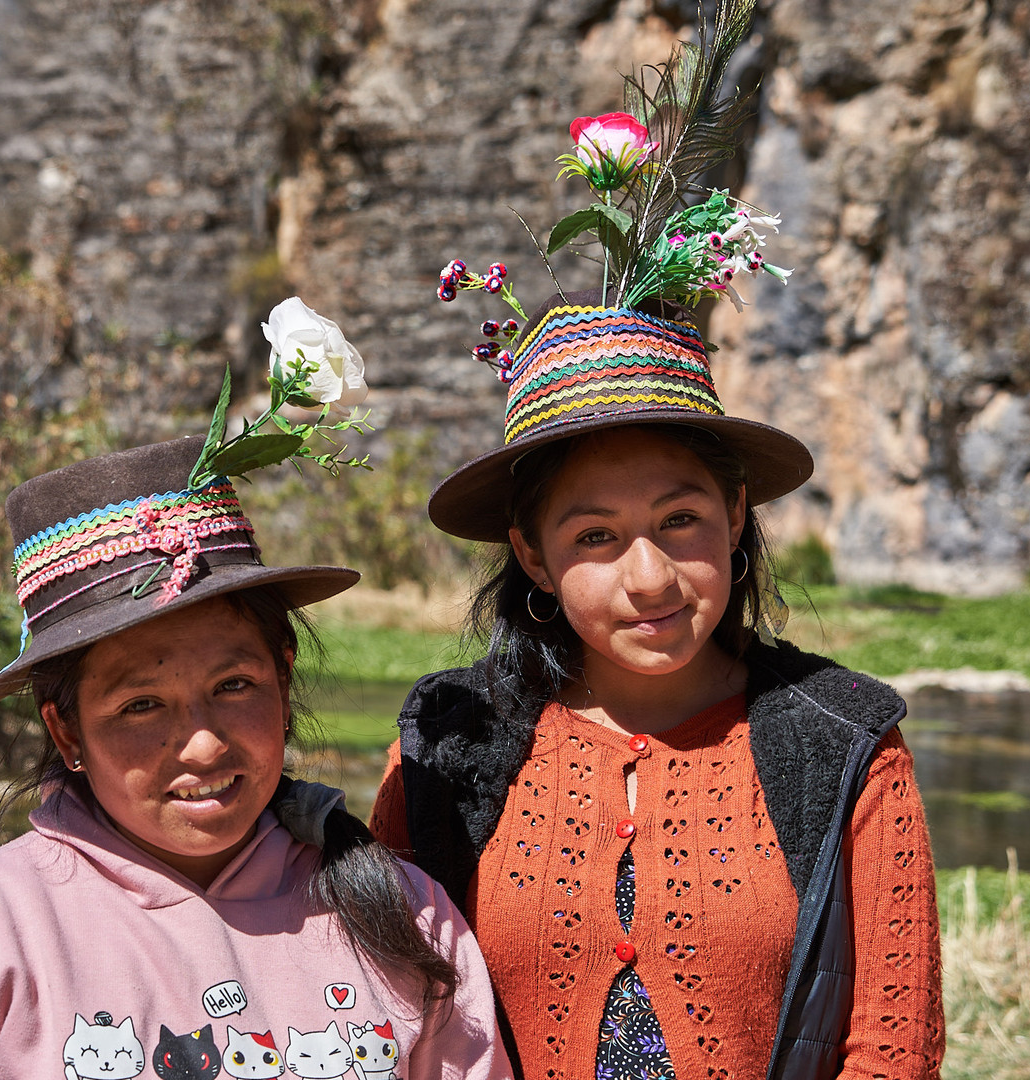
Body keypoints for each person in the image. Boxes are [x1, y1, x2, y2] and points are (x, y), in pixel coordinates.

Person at [368, 8, 945, 1078]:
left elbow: (889, 1047)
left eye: (681, 521)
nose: (651, 578)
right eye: (596, 535)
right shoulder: (446, 750)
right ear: (532, 557)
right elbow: (390, 1023)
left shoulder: (846, 745)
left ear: (735, 516)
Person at [0, 377, 514, 1079]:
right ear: (66, 733)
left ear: (283, 684)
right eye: (141, 706)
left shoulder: (406, 917)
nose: (203, 743)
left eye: (234, 686)